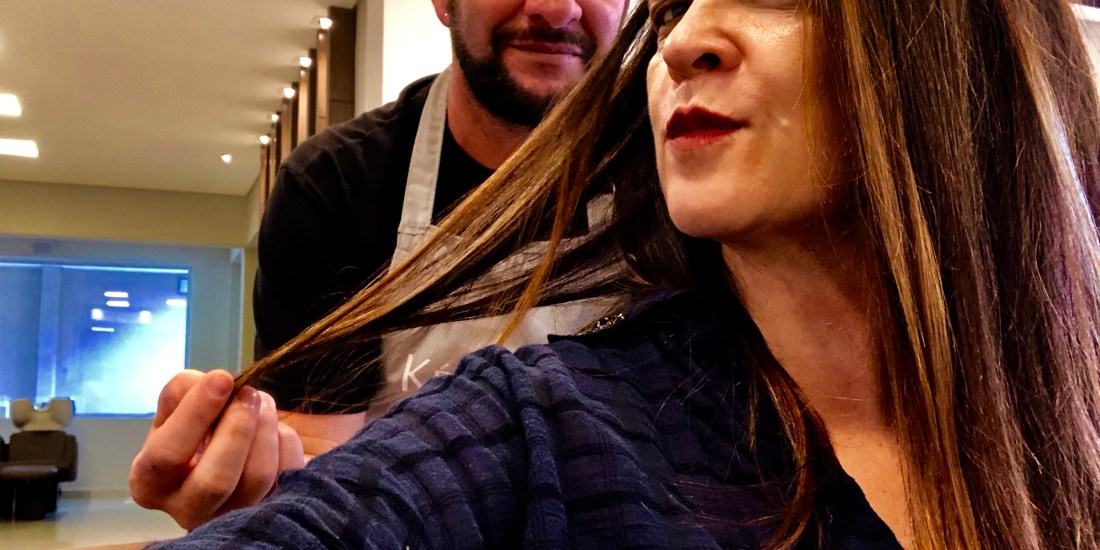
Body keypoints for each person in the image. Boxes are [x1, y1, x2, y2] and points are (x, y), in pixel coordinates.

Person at [150, 0, 1099, 547]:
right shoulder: (345, 186)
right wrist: (259, 485)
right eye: (677, 5)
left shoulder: (682, 166)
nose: (558, 6)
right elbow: (342, 478)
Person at [128, 0, 629, 530]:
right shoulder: (336, 183)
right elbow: (319, 463)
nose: (556, 8)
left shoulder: (665, 170)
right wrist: (256, 501)